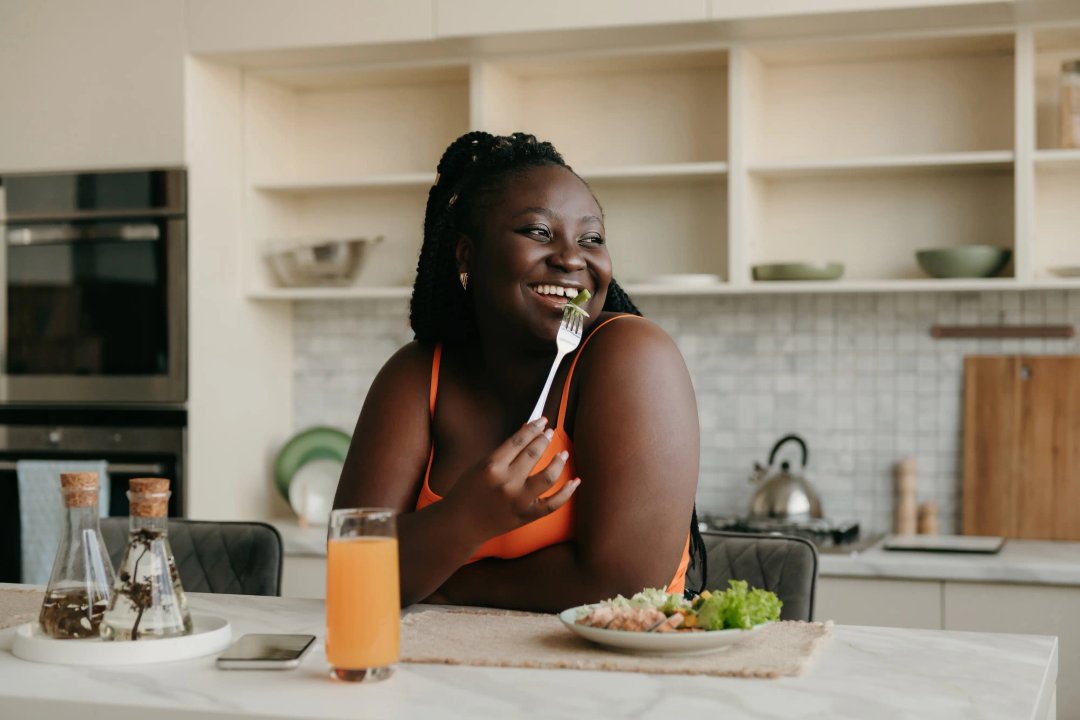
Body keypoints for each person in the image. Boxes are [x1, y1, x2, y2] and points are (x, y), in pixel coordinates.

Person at [333, 131, 704, 612]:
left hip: (617, 676)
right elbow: (352, 569)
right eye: (538, 232)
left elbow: (625, 586)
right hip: (442, 677)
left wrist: (449, 581)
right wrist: (467, 517)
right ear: (467, 254)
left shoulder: (632, 354)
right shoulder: (415, 375)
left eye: (591, 238)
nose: (572, 257)